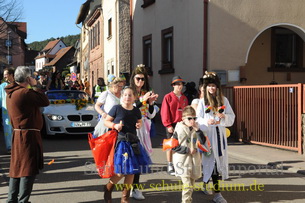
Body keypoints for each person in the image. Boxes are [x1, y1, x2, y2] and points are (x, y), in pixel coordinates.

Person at [5, 66, 50, 203]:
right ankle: (22, 201)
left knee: (17, 168)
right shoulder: (24, 92)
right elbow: (44, 101)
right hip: (27, 135)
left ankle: (12, 199)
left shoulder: (12, 92)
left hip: (20, 134)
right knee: (27, 169)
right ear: (27, 78)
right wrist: (35, 85)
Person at [103, 87, 151, 203]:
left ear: (134, 97)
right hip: (122, 143)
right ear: (121, 96)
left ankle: (125, 198)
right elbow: (106, 121)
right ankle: (108, 188)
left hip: (133, 142)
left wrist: (138, 125)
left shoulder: (136, 110)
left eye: (130, 95)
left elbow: (139, 121)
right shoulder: (116, 109)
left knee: (132, 171)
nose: (127, 97)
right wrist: (115, 126)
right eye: (125, 95)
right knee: (121, 172)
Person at [196, 71, 235, 203]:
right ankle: (208, 185)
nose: (212, 88)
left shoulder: (224, 100)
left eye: (214, 86)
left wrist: (224, 117)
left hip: (219, 137)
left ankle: (217, 194)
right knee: (209, 164)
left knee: (217, 166)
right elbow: (198, 118)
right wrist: (206, 122)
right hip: (208, 137)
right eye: (209, 86)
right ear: (205, 87)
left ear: (217, 87)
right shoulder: (202, 102)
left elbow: (232, 117)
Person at [129, 64, 158, 200]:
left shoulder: (146, 92)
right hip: (131, 128)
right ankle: (128, 187)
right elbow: (131, 108)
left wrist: (151, 103)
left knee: (139, 159)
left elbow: (151, 115)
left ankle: (135, 188)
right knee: (130, 159)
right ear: (133, 79)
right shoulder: (129, 91)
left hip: (143, 128)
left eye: (143, 79)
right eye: (138, 79)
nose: (140, 82)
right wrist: (143, 100)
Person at [172, 106, 206, 203]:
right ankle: (185, 201)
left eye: (194, 118)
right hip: (182, 160)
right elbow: (174, 146)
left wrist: (198, 130)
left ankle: (188, 200)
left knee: (191, 184)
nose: (192, 121)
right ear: (183, 119)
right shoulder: (178, 129)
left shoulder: (196, 128)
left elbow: (203, 141)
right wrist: (187, 150)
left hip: (194, 160)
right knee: (187, 185)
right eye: (189, 118)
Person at [160, 76, 188, 175]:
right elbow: (164, 112)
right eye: (177, 84)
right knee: (170, 145)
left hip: (181, 124)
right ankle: (170, 164)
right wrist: (168, 125)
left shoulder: (184, 98)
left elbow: (186, 112)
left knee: (180, 144)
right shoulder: (168, 97)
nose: (179, 87)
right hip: (171, 123)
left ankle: (178, 165)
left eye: (181, 84)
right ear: (173, 85)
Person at [0, 68, 14, 154]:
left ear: (11, 75)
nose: (4, 76)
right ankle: (9, 147)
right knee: (7, 129)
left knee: (16, 128)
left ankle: (17, 146)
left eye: (6, 74)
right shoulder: (2, 86)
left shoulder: (17, 85)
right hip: (6, 111)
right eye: (4, 74)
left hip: (16, 110)